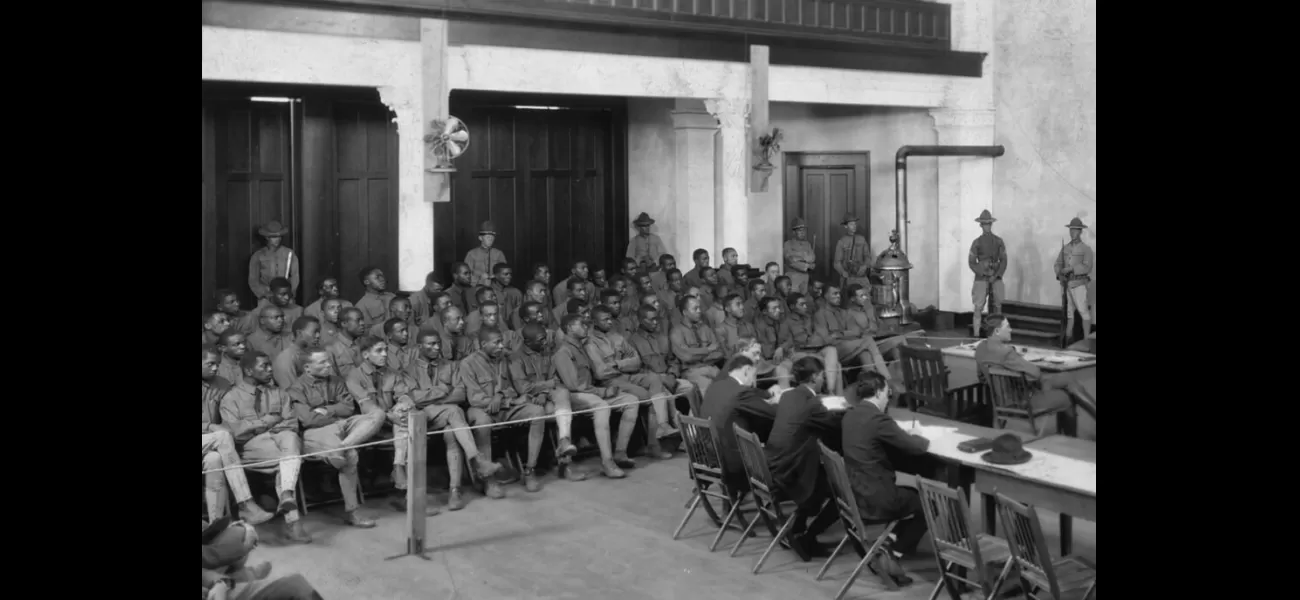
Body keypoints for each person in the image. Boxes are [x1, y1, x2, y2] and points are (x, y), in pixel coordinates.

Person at [840, 370, 930, 586]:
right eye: (888, 395)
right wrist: (919, 435)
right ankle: (893, 551)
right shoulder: (877, 418)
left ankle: (889, 546)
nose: (888, 400)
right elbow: (916, 447)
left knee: (913, 496)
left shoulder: (850, 414)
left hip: (854, 494)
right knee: (928, 504)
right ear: (880, 392)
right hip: (877, 498)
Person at [404, 331, 505, 511]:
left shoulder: (450, 366)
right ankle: (477, 461)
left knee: (451, 432)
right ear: (419, 347)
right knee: (455, 411)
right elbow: (415, 398)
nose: (436, 347)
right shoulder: (409, 369)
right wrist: (443, 391)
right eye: (431, 344)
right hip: (425, 417)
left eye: (438, 343)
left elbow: (460, 393)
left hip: (448, 414)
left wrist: (434, 399)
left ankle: (454, 490)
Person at [286, 348, 386, 528]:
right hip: (316, 433)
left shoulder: (336, 381)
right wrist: (335, 413)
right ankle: (353, 512)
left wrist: (327, 410)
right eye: (322, 363)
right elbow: (307, 419)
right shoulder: (296, 389)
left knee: (377, 415)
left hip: (343, 427)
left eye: (328, 361)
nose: (328, 365)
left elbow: (348, 408)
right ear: (307, 368)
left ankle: (342, 446)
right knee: (351, 456)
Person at [219, 351, 308, 543]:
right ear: (249, 370)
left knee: (290, 438)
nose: (270, 370)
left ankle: (286, 495)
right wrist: (268, 422)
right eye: (264, 366)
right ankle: (294, 522)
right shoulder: (231, 398)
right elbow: (236, 433)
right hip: (250, 450)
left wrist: (255, 427)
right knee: (288, 458)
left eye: (270, 365)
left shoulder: (278, 392)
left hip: (280, 442)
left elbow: (291, 422)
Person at [764, 356, 844, 561]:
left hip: (770, 467)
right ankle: (808, 536)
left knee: (822, 473)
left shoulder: (788, 396)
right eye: (822, 377)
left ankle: (799, 526)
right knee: (841, 488)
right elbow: (836, 425)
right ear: (816, 377)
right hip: (788, 473)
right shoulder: (812, 403)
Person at [458, 328, 550, 497]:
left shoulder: (505, 359)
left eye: (502, 341)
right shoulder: (468, 363)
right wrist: (498, 400)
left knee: (537, 412)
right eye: (496, 343)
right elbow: (475, 398)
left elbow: (514, 388)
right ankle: (488, 480)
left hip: (505, 407)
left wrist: (500, 396)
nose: (501, 346)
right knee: (482, 423)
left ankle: (529, 469)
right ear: (483, 344)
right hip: (480, 409)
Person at [975, 315, 1097, 433]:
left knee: (1067, 378)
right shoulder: (1007, 353)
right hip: (1022, 401)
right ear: (997, 331)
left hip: (1001, 400)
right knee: (1068, 396)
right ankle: (1070, 441)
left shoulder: (980, 349)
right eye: (1007, 326)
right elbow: (1035, 374)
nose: (1010, 329)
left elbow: (982, 378)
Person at [552, 314, 641, 477]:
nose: (586, 327)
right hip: (573, 396)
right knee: (602, 406)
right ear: (570, 328)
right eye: (582, 324)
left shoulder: (582, 347)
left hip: (590, 391)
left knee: (631, 401)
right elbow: (573, 385)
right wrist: (602, 392)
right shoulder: (563, 351)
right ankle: (607, 462)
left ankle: (620, 452)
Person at [585, 305, 677, 449]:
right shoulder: (590, 343)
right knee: (651, 396)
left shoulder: (617, 337)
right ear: (594, 322)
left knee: (655, 379)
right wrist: (625, 364)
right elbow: (601, 372)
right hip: (609, 382)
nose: (610, 322)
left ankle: (663, 425)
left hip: (628, 375)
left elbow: (636, 361)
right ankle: (654, 445)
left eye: (610, 319)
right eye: (605, 320)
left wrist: (616, 364)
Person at [202, 346, 275, 526]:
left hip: (210, 444)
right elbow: (219, 429)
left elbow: (230, 414)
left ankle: (216, 525)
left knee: (214, 460)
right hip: (214, 436)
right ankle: (246, 504)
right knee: (223, 436)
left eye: (217, 364)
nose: (215, 368)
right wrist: (211, 426)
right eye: (210, 364)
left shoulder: (222, 384)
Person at [509, 324, 589, 483]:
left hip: (547, 397)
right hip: (529, 401)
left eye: (546, 337)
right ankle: (537, 468)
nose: (546, 342)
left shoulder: (548, 351)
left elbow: (558, 379)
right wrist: (546, 387)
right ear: (527, 341)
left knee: (562, 395)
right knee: (561, 414)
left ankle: (564, 446)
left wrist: (544, 392)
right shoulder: (515, 359)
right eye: (541, 340)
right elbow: (523, 388)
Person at [701, 355, 779, 492]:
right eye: (754, 375)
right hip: (734, 462)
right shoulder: (740, 392)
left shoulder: (716, 385)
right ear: (746, 370)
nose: (753, 380)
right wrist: (778, 400)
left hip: (709, 455)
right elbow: (772, 413)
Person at [814, 284, 890, 382]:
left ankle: (874, 385)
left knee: (865, 354)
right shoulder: (819, 315)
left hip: (850, 346)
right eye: (835, 294)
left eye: (839, 294)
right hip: (835, 350)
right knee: (868, 341)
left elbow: (856, 332)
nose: (838, 296)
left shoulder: (843, 313)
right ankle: (886, 379)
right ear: (825, 296)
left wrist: (839, 334)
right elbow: (826, 339)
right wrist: (845, 335)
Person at [779, 293, 843, 394]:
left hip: (815, 350)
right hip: (798, 353)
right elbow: (784, 343)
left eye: (805, 304)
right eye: (801, 304)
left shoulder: (809, 318)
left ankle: (832, 392)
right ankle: (829, 393)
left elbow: (819, 334)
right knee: (835, 366)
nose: (805, 307)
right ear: (792, 307)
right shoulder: (786, 322)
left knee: (831, 350)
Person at [669, 295, 725, 398]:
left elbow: (720, 352)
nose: (699, 311)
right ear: (685, 312)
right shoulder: (677, 332)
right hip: (691, 371)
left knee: (730, 384)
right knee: (710, 389)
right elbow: (686, 357)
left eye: (699, 307)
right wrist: (708, 350)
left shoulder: (705, 328)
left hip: (711, 367)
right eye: (695, 308)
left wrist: (697, 354)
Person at [1055, 217, 1095, 342]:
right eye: (1071, 230)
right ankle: (1068, 339)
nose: (1072, 233)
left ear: (1081, 231)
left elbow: (1087, 267)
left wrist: (1071, 269)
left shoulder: (1086, 249)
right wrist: (1060, 273)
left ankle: (1087, 340)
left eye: (1076, 230)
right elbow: (1057, 263)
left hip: (1079, 284)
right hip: (1067, 284)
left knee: (1083, 311)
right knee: (1069, 313)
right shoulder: (1065, 248)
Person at [968, 209, 1008, 336]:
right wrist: (983, 272)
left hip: (996, 276)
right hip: (981, 277)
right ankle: (976, 334)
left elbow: (1004, 260)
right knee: (978, 306)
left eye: (988, 224)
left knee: (998, 305)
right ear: (981, 225)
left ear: (991, 224)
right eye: (984, 224)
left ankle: (998, 334)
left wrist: (996, 275)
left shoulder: (998, 241)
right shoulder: (976, 242)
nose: (987, 226)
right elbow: (972, 261)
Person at [247, 220, 298, 302]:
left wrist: (289, 292)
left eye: (279, 236)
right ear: (267, 237)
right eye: (273, 237)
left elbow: (295, 276)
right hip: (266, 297)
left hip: (286, 296)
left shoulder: (289, 253)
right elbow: (253, 280)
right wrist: (264, 293)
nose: (277, 239)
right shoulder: (258, 255)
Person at [272, 316, 321, 389]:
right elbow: (292, 390)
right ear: (299, 333)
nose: (318, 336)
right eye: (314, 332)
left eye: (319, 332)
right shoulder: (286, 358)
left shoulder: (313, 353)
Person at [833, 213, 871, 290]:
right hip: (848, 277)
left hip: (861, 276)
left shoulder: (862, 239)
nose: (854, 226)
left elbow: (868, 257)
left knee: (866, 295)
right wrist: (843, 273)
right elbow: (836, 263)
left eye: (855, 224)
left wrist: (865, 266)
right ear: (845, 226)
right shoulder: (841, 241)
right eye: (851, 224)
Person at [465, 221, 508, 287]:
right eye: (488, 237)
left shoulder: (499, 254)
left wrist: (495, 277)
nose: (490, 239)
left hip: (495, 288)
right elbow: (466, 275)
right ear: (480, 238)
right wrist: (480, 280)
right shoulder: (471, 254)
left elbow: (505, 273)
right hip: (477, 288)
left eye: (492, 237)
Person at [783, 218, 816, 293]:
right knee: (793, 298)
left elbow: (812, 258)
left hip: (805, 276)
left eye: (804, 230)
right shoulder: (788, 244)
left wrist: (798, 257)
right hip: (792, 276)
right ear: (794, 232)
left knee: (803, 299)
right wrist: (807, 265)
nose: (803, 233)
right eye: (800, 230)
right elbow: (791, 261)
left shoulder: (807, 244)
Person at [489, 263, 523, 330]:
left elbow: (519, 314)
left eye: (510, 274)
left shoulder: (515, 292)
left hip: (513, 329)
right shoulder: (489, 292)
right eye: (506, 274)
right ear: (495, 275)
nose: (509, 276)